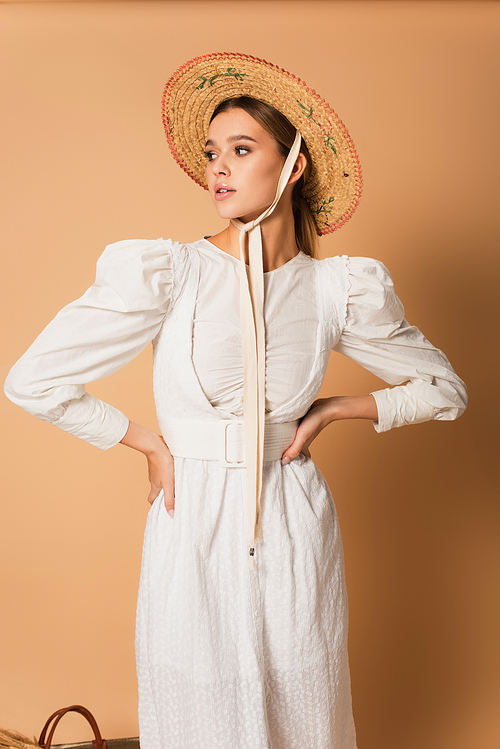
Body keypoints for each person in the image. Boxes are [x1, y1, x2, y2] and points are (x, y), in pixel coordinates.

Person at [4, 53, 467, 749]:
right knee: (197, 712)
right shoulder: (171, 272)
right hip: (190, 519)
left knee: (302, 705)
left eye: (242, 150)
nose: (217, 168)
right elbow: (31, 380)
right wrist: (145, 440)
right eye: (212, 152)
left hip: (293, 515)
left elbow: (445, 390)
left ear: (295, 166)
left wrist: (336, 409)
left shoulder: (337, 288)